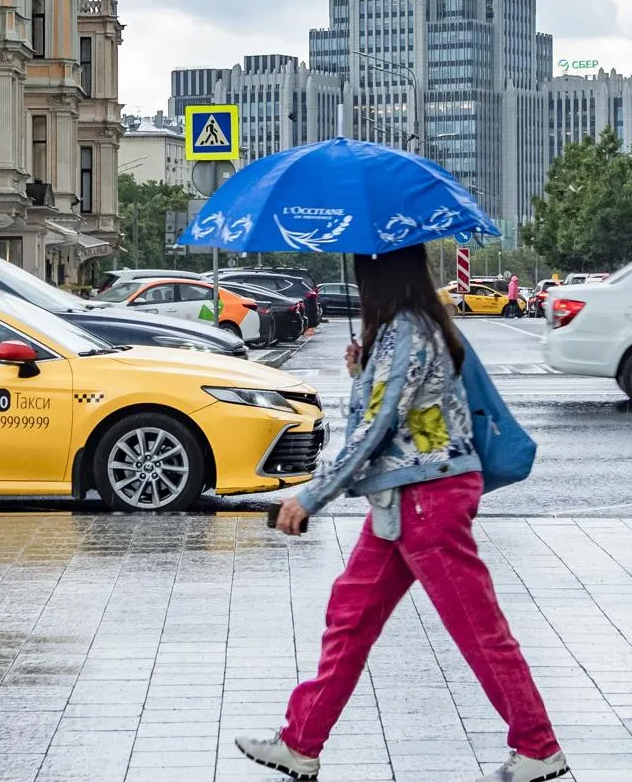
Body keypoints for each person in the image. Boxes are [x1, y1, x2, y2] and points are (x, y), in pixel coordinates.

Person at [237, 243, 567, 782]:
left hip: (426, 501)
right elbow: (418, 418)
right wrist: (365, 369)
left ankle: (537, 746)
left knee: (478, 629)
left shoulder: (407, 331)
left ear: (379, 276)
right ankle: (301, 742)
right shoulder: (412, 328)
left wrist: (309, 497)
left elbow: (376, 428)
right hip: (407, 495)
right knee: (350, 618)